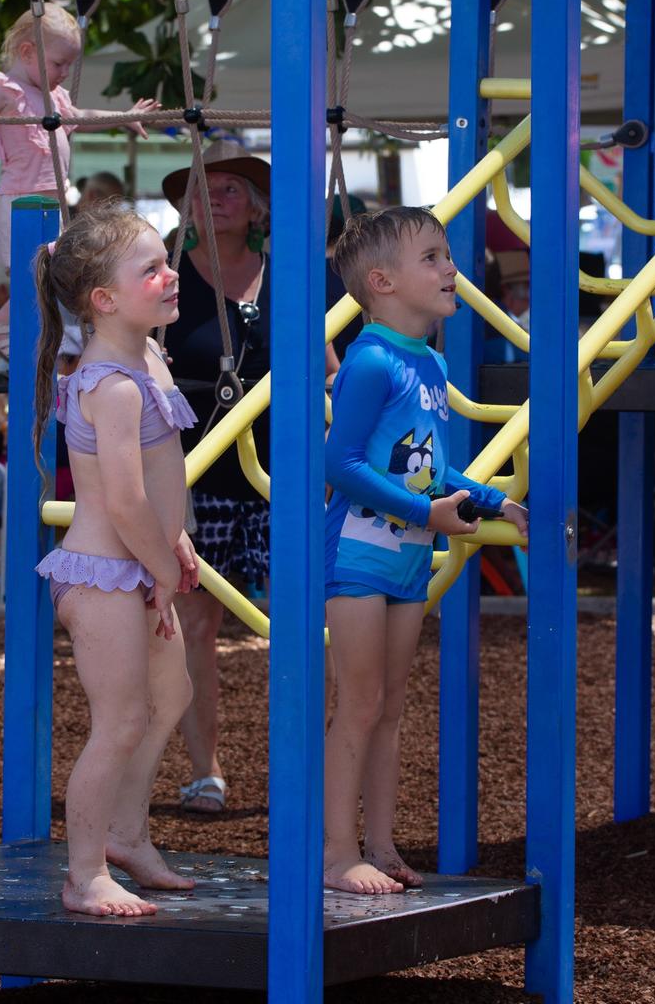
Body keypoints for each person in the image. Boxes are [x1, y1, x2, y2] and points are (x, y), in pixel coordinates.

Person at [324, 207, 529, 894]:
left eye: (447, 255)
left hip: (407, 558)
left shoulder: (432, 363)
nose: (451, 269)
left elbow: (432, 467)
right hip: (358, 555)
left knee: (387, 706)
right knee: (357, 703)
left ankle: (381, 845)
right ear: (381, 282)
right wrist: (428, 513)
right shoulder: (372, 361)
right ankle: (334, 853)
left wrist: (492, 500)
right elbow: (342, 464)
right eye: (434, 258)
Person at [162, 141, 342, 812]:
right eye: (205, 187)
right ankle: (205, 769)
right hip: (200, 474)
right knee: (198, 624)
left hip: (283, 477)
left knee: (306, 617)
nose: (217, 197)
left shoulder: (288, 276)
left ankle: (316, 758)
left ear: (259, 208)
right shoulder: (170, 278)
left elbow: (326, 365)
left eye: (232, 187)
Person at [32, 203, 199, 917]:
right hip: (106, 575)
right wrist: (163, 567)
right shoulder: (112, 384)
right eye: (151, 270)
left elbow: (165, 475)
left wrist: (177, 541)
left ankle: (128, 835)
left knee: (173, 698)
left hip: (142, 565)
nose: (170, 276)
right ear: (103, 301)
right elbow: (125, 502)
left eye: (167, 262)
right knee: (121, 720)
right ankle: (84, 872)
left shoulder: (147, 357)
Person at [0, 3, 159, 357]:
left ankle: (52, 338)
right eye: (58, 63)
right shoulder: (6, 91)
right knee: (36, 279)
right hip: (20, 204)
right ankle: (4, 325)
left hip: (53, 206)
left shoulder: (54, 98)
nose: (65, 72)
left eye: (69, 64)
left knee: (62, 276)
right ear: (27, 52)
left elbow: (83, 115)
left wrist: (124, 116)